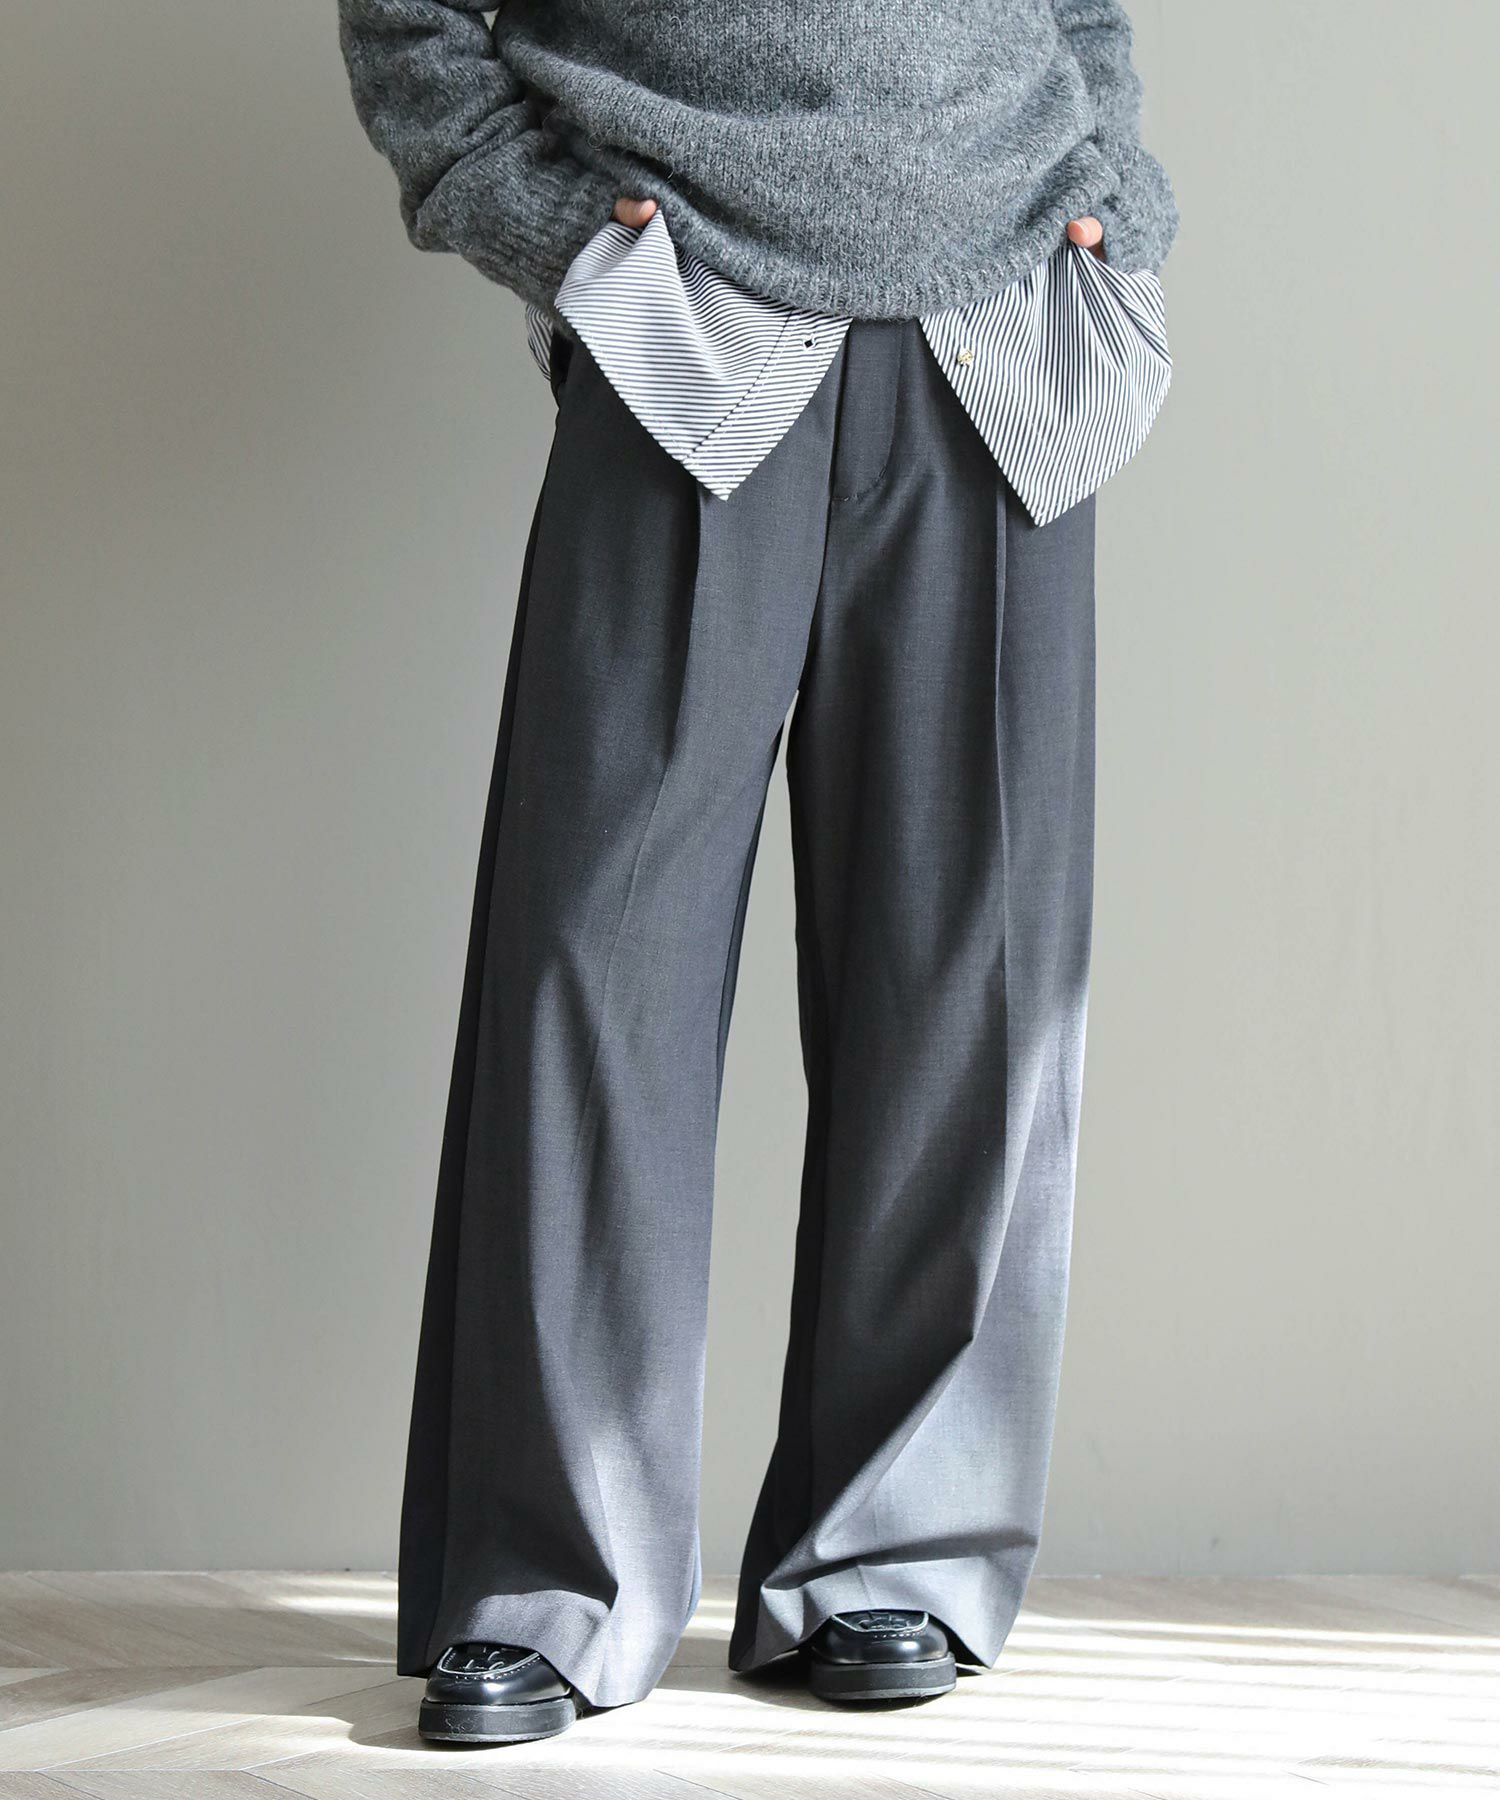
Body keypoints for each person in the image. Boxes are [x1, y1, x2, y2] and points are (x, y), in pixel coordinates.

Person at [337, 0, 1177, 1746]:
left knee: (975, 978)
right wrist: (551, 224)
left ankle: (899, 1551)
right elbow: (406, 19)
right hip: (685, 306)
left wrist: (1114, 186)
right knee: (595, 974)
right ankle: (549, 1576)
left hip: (1007, 313)